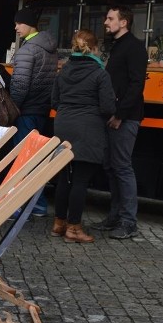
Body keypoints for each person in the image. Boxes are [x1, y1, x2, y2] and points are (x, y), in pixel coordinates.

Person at [50, 29, 115, 243]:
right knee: (80, 180)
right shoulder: (99, 73)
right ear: (95, 49)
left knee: (63, 178)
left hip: (63, 125)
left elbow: (54, 102)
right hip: (88, 128)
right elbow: (107, 107)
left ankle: (59, 223)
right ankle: (74, 229)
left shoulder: (64, 70)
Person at [91, 5, 148, 240]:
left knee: (122, 167)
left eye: (110, 18)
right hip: (114, 115)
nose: (106, 22)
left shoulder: (134, 47)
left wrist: (120, 114)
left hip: (125, 117)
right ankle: (115, 216)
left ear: (123, 22)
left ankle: (128, 221)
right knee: (111, 167)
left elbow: (136, 85)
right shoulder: (119, 46)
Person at [9, 7, 58, 217]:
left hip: (26, 111)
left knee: (22, 159)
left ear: (29, 24)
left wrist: (12, 109)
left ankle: (18, 206)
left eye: (19, 23)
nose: (16, 27)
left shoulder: (28, 50)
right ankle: (37, 205)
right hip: (42, 110)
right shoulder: (49, 48)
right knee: (35, 159)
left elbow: (19, 85)